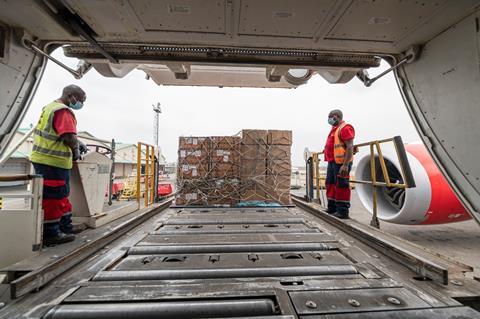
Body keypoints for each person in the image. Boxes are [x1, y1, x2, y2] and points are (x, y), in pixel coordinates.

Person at [30, 85, 88, 245]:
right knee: (53, 197)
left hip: (48, 160)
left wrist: (78, 141)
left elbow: (57, 132)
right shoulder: (63, 111)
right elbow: (69, 137)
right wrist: (76, 150)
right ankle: (51, 233)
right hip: (51, 162)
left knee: (62, 194)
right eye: (80, 100)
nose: (80, 103)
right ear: (70, 96)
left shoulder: (50, 107)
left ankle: (65, 226)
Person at [323, 109, 355, 219]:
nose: (329, 120)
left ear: (336, 117)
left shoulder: (345, 128)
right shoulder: (334, 129)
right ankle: (332, 208)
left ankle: (342, 211)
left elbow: (350, 146)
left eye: (330, 117)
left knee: (341, 185)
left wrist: (345, 165)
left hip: (341, 163)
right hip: (332, 162)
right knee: (330, 184)